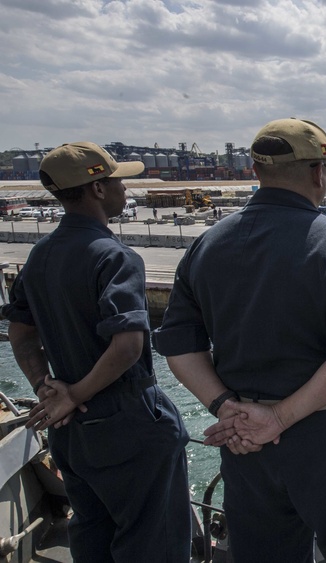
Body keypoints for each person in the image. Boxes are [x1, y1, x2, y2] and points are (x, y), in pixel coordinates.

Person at [152, 118, 326, 562]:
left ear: (256, 171)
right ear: (320, 172)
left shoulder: (206, 244)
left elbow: (180, 348)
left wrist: (226, 407)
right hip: (324, 434)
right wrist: (278, 419)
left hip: (243, 438)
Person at [2, 142, 191, 562]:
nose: (126, 188)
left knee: (91, 535)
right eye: (118, 179)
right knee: (152, 543)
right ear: (98, 189)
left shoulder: (41, 255)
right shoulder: (115, 257)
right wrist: (75, 394)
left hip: (71, 433)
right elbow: (128, 345)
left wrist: (49, 391)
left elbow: (20, 332)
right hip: (127, 424)